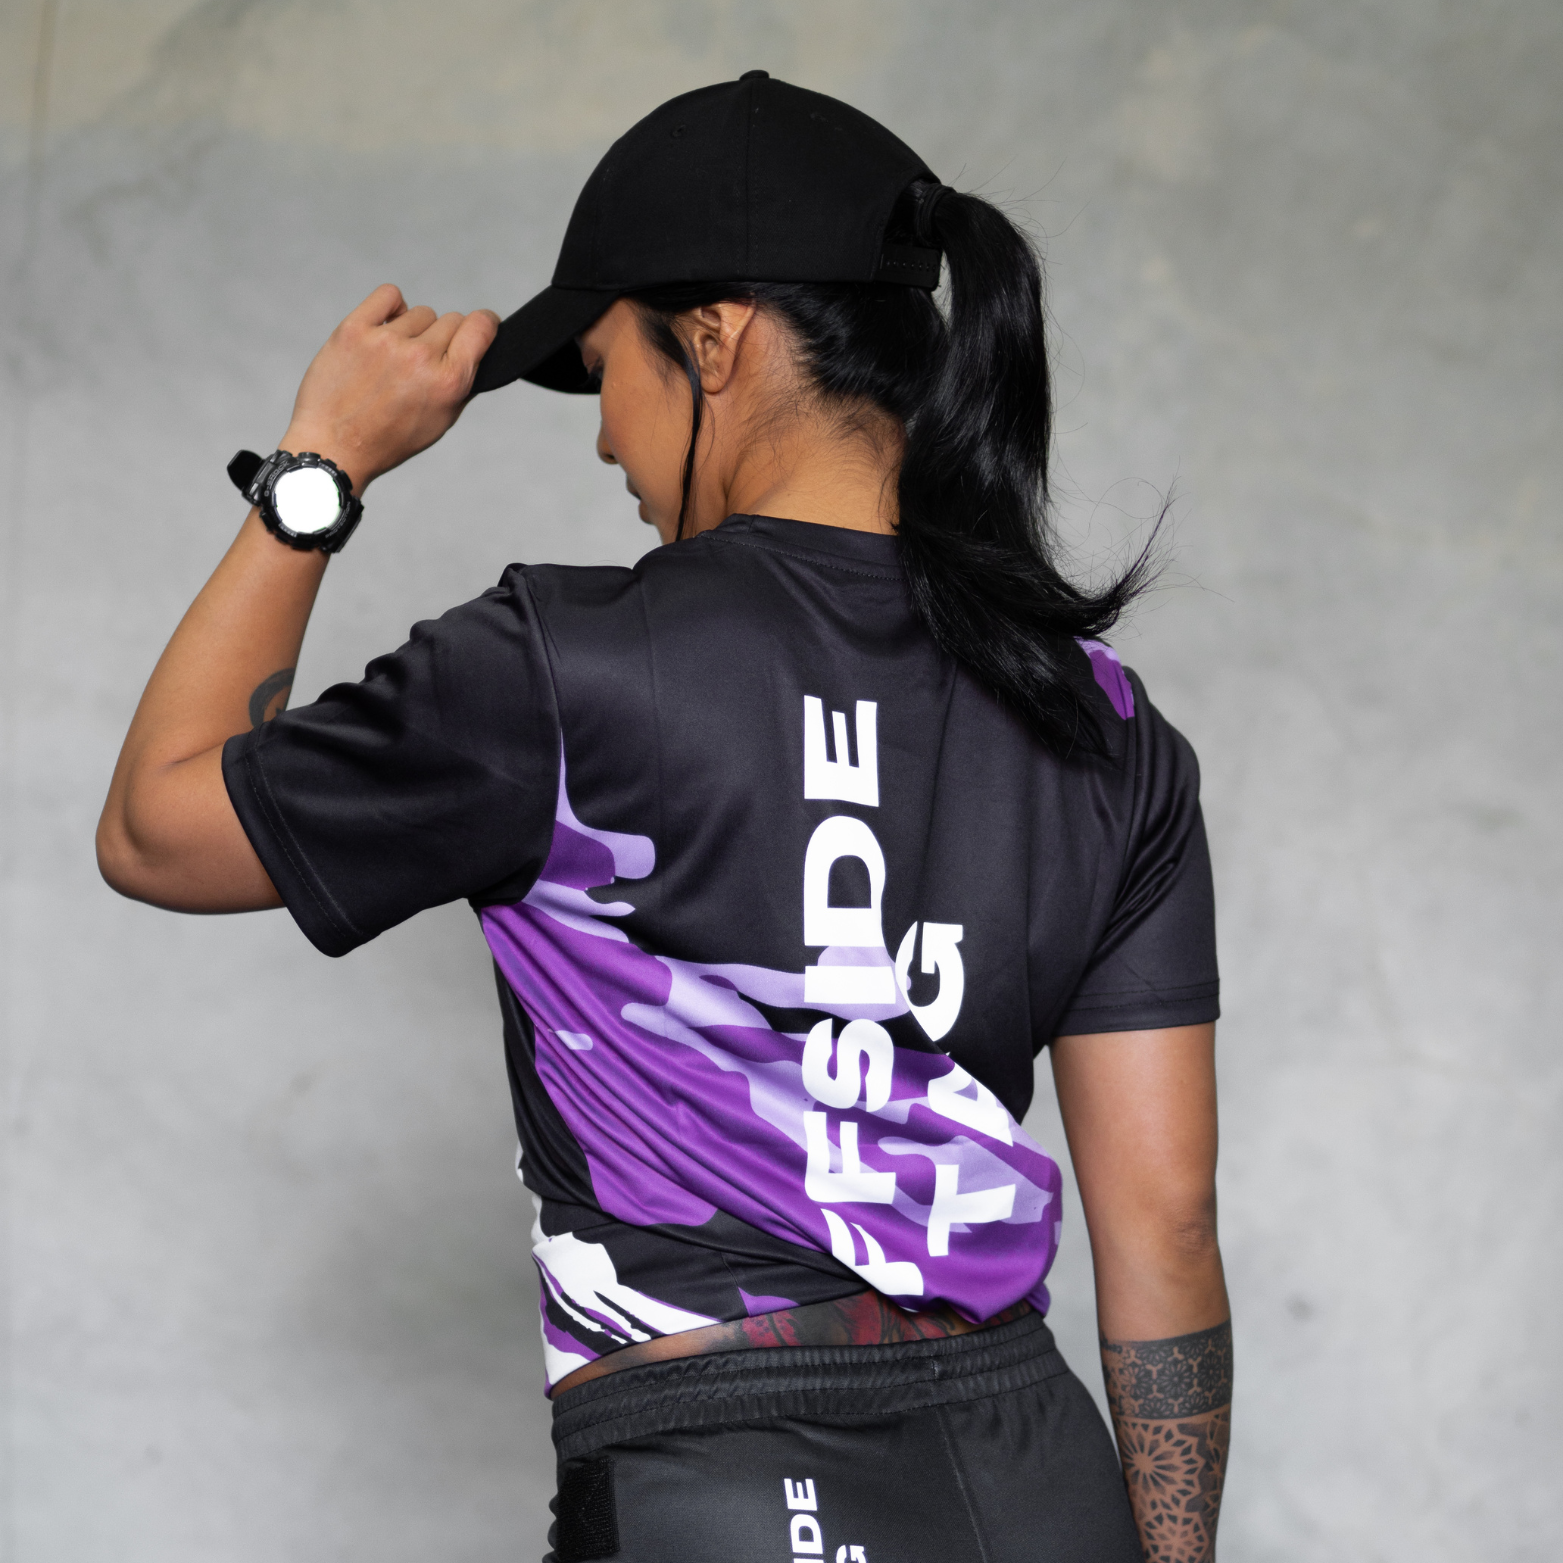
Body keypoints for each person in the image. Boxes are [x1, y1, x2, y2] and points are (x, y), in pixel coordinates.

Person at [97, 73, 1230, 1563]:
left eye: (604, 370)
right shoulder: (1105, 723)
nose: (603, 442)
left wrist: (322, 469)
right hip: (1038, 1481)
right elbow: (1165, 1228)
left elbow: (157, 827)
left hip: (734, 1489)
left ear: (714, 339)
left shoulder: (553, 671)